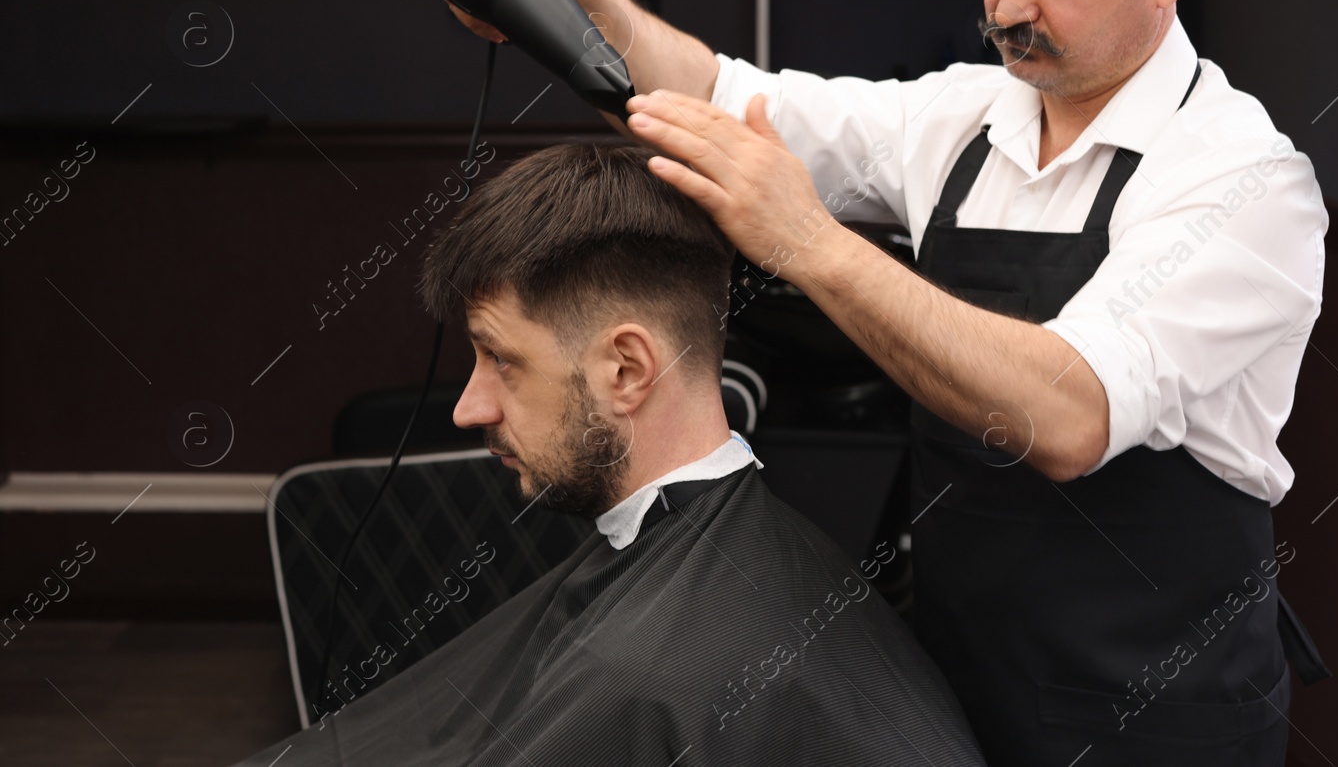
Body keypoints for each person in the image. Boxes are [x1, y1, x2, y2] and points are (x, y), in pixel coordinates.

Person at [451, 0, 1331, 765]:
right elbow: (717, 98)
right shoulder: (960, 121)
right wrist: (590, 8)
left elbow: (1070, 413)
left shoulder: (1239, 181)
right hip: (949, 682)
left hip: (1154, 715)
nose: (1004, 5)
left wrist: (811, 242)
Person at [231, 144, 986, 767]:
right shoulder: (773, 556)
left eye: (501, 359)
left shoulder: (645, 675)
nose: (469, 406)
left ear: (626, 370)